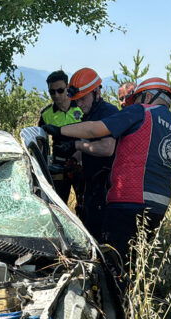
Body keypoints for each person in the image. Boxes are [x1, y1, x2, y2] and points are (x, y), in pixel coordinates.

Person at [42, 78, 171, 264]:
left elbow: (96, 130)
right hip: (159, 206)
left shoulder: (141, 111)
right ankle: (131, 293)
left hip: (128, 200)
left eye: (138, 98)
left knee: (111, 262)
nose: (133, 103)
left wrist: (60, 131)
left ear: (148, 96)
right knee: (132, 263)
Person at [59, 68, 120, 239]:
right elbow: (90, 147)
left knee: (101, 237)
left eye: (83, 99)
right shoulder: (89, 115)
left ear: (97, 93)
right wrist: (70, 155)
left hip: (106, 189)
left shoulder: (108, 113)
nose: (80, 104)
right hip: (92, 187)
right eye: (77, 101)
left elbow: (107, 148)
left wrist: (77, 145)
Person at [38, 70, 84, 209]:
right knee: (59, 207)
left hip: (81, 163)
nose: (56, 95)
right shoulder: (46, 114)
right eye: (52, 92)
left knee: (83, 206)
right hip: (58, 165)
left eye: (60, 90)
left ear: (67, 88)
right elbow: (40, 142)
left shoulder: (81, 107)